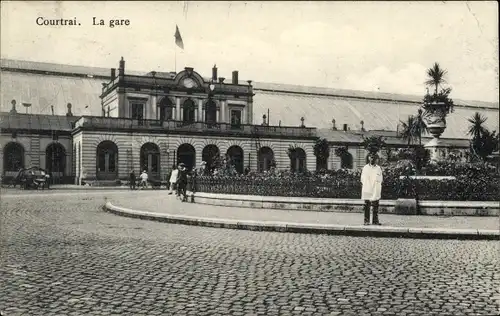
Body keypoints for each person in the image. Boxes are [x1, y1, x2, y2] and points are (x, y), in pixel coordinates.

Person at [361, 153, 383, 225]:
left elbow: (380, 179)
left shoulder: (378, 168)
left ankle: (375, 221)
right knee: (367, 205)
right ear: (369, 158)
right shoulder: (365, 168)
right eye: (371, 157)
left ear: (376, 159)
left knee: (376, 205)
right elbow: (362, 179)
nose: (372, 159)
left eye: (374, 158)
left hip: (375, 188)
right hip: (367, 188)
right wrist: (367, 185)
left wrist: (377, 185)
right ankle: (366, 221)